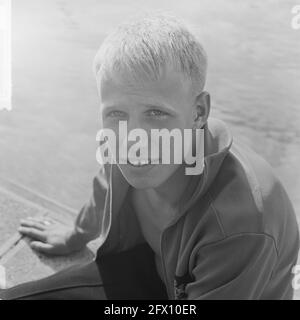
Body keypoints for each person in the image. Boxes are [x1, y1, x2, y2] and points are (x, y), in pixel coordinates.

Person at [0, 12, 299, 300]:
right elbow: (106, 185)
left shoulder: (242, 224)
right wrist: (76, 235)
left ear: (198, 112)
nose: (132, 139)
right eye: (116, 113)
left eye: (156, 113)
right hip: (150, 268)